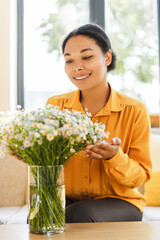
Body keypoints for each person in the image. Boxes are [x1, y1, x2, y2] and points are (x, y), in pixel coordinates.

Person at [46, 23, 152, 223]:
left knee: (80, 215)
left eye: (87, 57)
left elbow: (140, 177)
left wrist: (115, 157)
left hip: (121, 202)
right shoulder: (55, 106)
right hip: (69, 200)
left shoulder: (134, 110)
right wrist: (32, 152)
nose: (77, 66)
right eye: (69, 60)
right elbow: (49, 164)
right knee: (41, 215)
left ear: (107, 58)